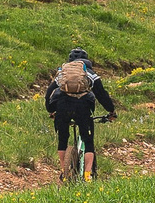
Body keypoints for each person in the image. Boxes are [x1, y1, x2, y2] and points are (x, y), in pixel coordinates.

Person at [45, 46, 118, 180]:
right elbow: (101, 94)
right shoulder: (89, 73)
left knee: (63, 140)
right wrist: (111, 110)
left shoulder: (63, 73)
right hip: (83, 107)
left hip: (62, 107)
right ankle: (87, 175)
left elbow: (49, 92)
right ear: (86, 60)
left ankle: (64, 172)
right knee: (88, 141)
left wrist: (51, 110)